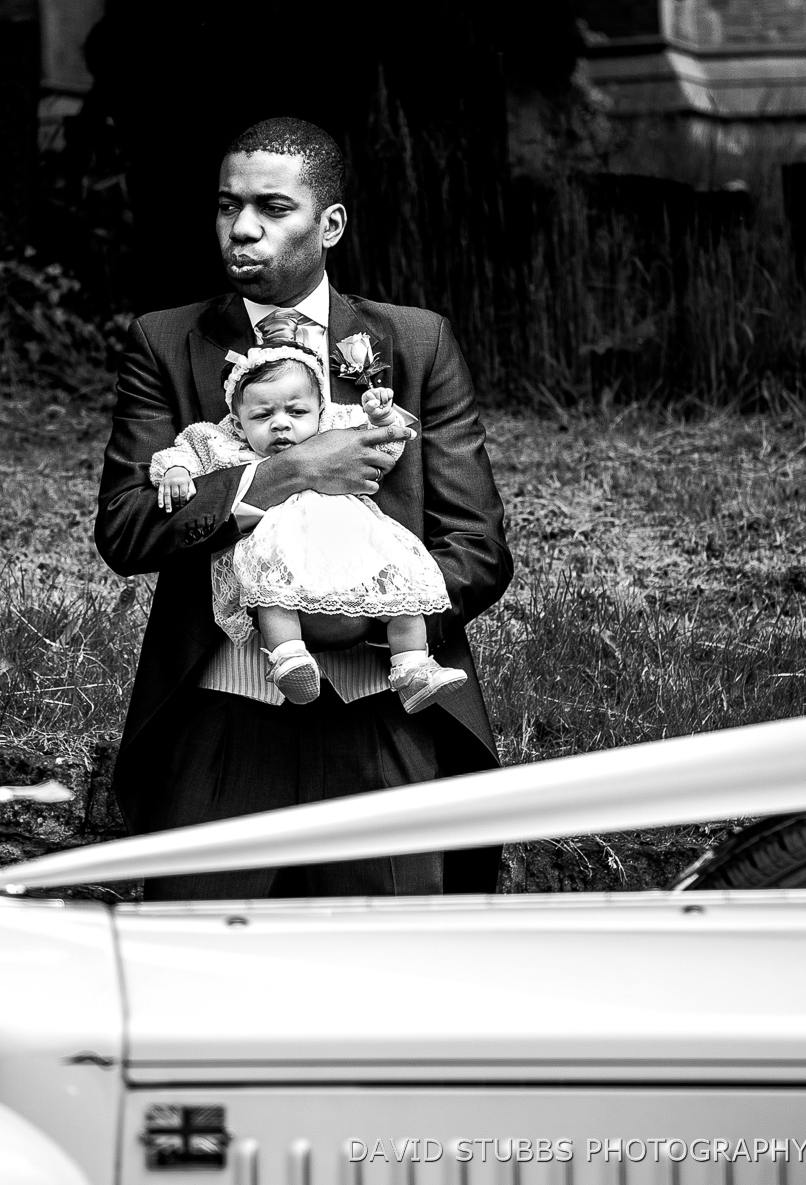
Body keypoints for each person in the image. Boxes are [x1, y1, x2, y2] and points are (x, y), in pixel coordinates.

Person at [96, 115, 512, 900]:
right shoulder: (166, 341)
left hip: (385, 720)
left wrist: (362, 617)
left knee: (389, 965)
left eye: (272, 207)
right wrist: (289, 470)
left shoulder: (416, 342)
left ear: (330, 224)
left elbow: (477, 546)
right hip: (223, 723)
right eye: (228, 205)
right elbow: (126, 526)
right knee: (196, 966)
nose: (242, 227)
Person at [147, 344, 468, 713]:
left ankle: (413, 668)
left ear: (319, 411)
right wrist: (176, 472)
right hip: (279, 544)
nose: (281, 423)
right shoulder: (225, 443)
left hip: (351, 544)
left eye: (297, 412)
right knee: (272, 591)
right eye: (262, 415)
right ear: (237, 424)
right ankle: (288, 658)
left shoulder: (333, 429)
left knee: (401, 589)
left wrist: (380, 417)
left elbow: (384, 448)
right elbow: (184, 449)